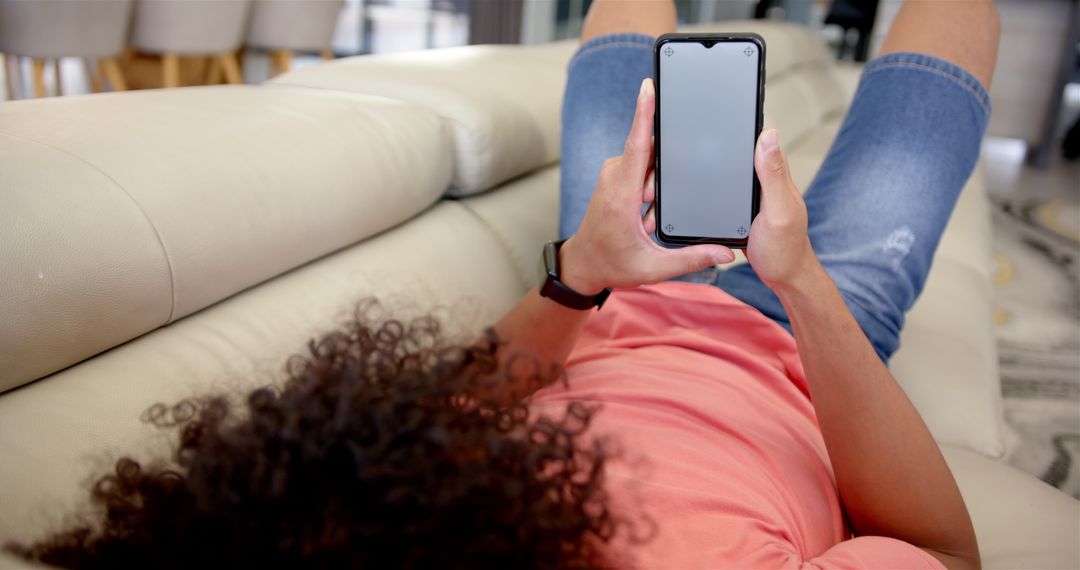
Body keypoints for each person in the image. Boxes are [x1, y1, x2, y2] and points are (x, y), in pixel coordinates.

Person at [6, 0, 1000, 568]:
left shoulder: (366, 511)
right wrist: (807, 288)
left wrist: (580, 277)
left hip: (616, 287)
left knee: (623, 31)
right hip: (800, 340)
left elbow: (433, 419)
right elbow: (944, 552)